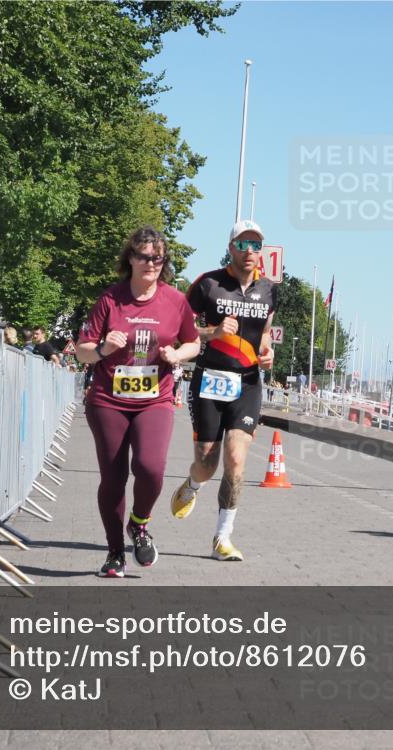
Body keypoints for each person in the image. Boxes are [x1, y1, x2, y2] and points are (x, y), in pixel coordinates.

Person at [77, 225, 201, 578]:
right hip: (108, 401)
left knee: (150, 467)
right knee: (113, 479)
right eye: (145, 256)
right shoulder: (110, 300)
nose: (152, 263)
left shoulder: (175, 301)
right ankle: (115, 552)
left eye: (158, 258)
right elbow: (83, 351)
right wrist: (103, 348)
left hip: (155, 400)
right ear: (130, 259)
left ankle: (139, 523)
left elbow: (193, 343)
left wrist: (178, 354)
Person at [170, 219, 276, 561]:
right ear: (230, 248)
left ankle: (222, 537)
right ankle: (192, 484)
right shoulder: (208, 284)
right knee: (206, 462)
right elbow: (180, 329)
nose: (249, 252)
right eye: (242, 245)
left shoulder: (270, 290)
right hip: (210, 381)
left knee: (235, 459)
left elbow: (264, 332)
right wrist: (211, 332)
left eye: (255, 246)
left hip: (247, 383)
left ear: (262, 252)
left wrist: (267, 352)